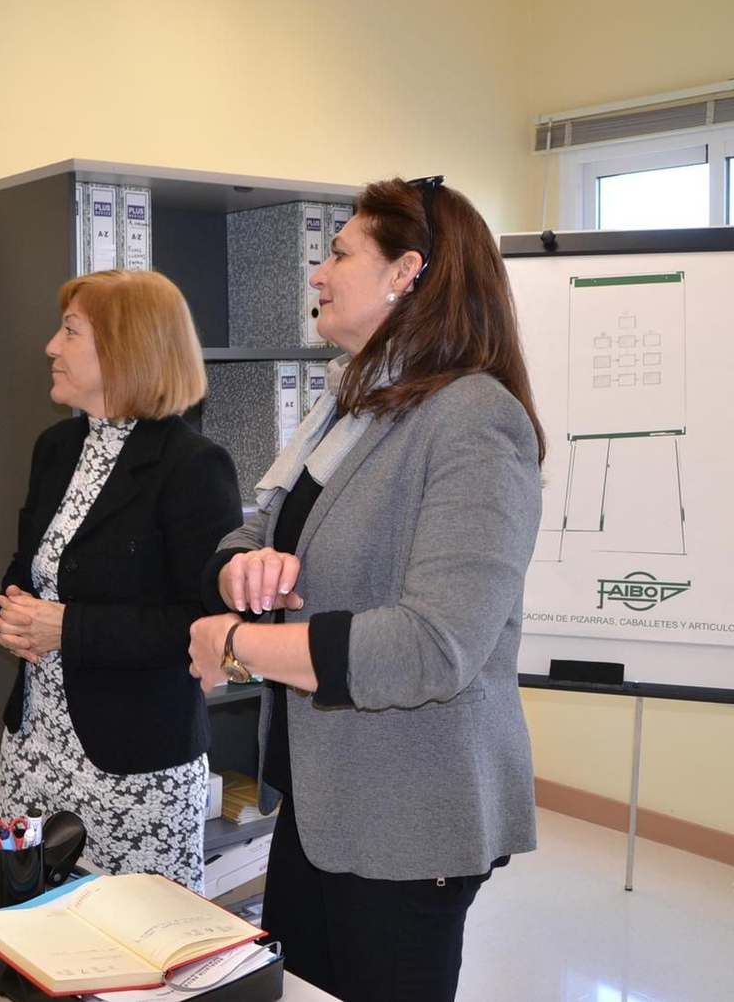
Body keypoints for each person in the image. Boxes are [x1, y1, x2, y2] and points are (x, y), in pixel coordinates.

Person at [187, 177, 545, 1002]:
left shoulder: (476, 421)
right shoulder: (350, 403)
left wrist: (238, 644)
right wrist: (244, 569)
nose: (317, 272)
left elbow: (432, 645)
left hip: (405, 818)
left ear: (406, 272)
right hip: (321, 800)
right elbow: (259, 527)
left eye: (339, 252)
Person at [0, 269, 241, 892]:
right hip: (33, 751)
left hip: (135, 768)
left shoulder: (194, 466)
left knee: (139, 957)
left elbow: (204, 624)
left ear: (127, 350)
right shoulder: (55, 447)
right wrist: (10, 616)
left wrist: (68, 628)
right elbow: (30, 570)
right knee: (29, 938)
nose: (51, 346)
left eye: (70, 331)